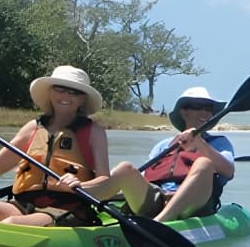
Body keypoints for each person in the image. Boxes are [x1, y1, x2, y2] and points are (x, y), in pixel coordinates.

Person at [0, 65, 110, 225]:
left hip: (65, 208)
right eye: (60, 89)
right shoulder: (33, 127)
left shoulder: (94, 131)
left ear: (82, 99)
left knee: (12, 223)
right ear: (50, 92)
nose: (66, 96)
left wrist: (79, 185)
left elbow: (104, 178)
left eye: (74, 92)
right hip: (24, 204)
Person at [75, 87, 235, 222]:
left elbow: (228, 171)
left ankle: (160, 222)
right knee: (125, 168)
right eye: (199, 107)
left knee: (203, 163)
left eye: (209, 108)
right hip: (158, 198)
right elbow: (145, 177)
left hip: (194, 202)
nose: (205, 113)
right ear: (184, 111)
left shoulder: (219, 143)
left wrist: (200, 143)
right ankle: (77, 202)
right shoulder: (164, 145)